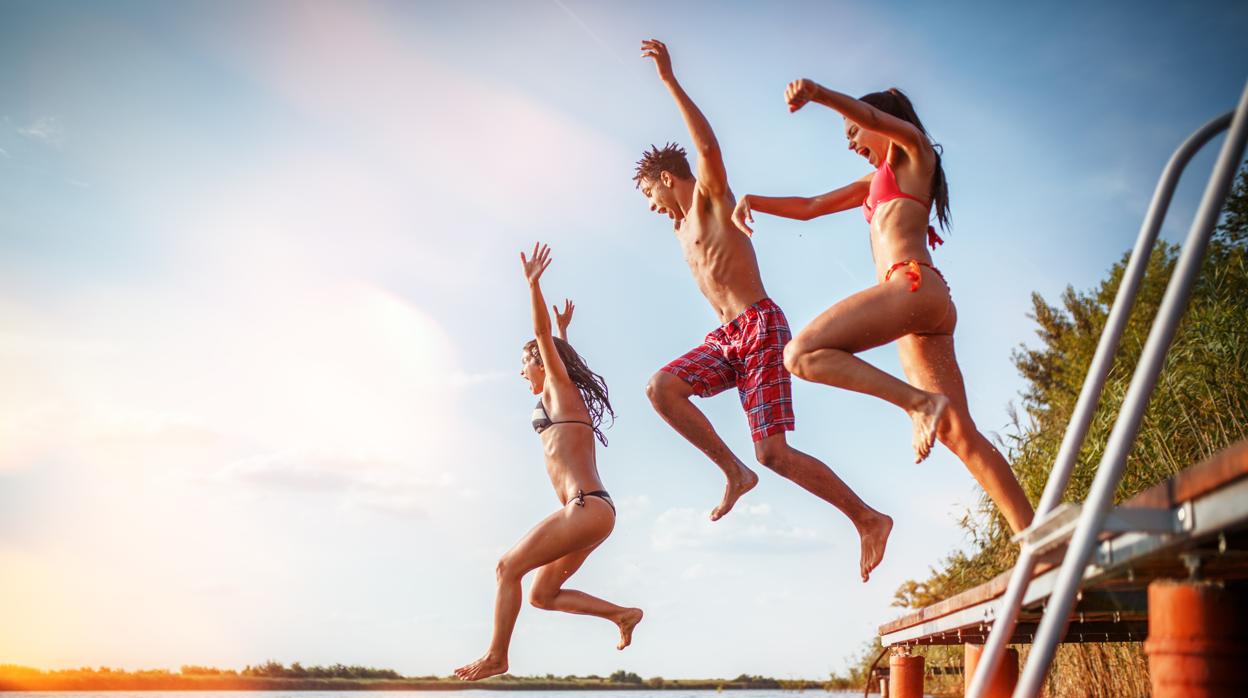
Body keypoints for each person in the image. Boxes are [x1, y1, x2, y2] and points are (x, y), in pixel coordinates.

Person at [636, 39, 893, 582]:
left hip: (760, 326)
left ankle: (867, 518)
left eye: (649, 195)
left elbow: (705, 147)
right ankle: (733, 472)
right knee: (661, 387)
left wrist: (669, 81)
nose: (652, 208)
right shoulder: (680, 229)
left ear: (666, 179)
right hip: (725, 336)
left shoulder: (708, 200)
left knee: (773, 453)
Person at [731, 81, 1034, 533]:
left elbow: (874, 120)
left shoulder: (915, 153)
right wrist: (754, 201)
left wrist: (819, 95)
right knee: (957, 432)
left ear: (883, 124)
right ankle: (1032, 534)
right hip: (919, 309)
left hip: (911, 285)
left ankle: (917, 405)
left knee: (801, 355)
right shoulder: (874, 183)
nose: (851, 143)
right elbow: (812, 206)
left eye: (852, 132)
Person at [454, 243, 643, 681]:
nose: (522, 372)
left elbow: (541, 341)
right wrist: (563, 332)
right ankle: (622, 614)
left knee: (507, 568)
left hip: (583, 509)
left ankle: (497, 656)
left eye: (525, 363)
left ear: (540, 362)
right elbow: (553, 351)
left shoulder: (557, 387)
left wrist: (534, 287)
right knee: (541, 594)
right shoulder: (559, 393)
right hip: (595, 510)